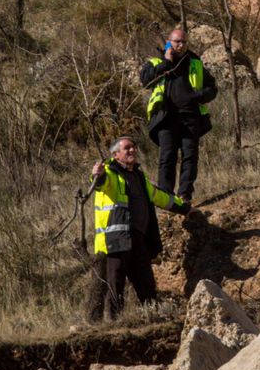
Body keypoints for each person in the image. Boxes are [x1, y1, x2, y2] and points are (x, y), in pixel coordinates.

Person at [84, 135, 186, 322]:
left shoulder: (139, 177)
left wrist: (185, 208)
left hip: (138, 239)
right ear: (116, 155)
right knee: (116, 285)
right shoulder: (110, 172)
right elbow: (100, 183)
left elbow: (160, 197)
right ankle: (114, 323)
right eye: (127, 148)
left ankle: (154, 319)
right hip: (115, 240)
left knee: (146, 283)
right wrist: (96, 174)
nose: (132, 150)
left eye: (134, 147)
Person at [139, 25, 216, 205]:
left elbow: (212, 88)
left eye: (183, 42)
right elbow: (145, 81)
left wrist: (198, 96)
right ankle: (166, 197)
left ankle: (185, 195)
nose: (180, 45)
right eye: (176, 41)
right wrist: (166, 61)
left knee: (190, 156)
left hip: (191, 117)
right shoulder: (156, 62)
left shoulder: (195, 62)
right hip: (166, 118)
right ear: (168, 43)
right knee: (167, 157)